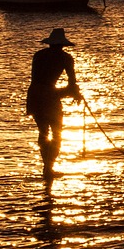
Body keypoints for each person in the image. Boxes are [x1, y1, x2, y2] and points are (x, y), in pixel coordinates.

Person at [26, 28, 80, 171]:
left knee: (43, 131)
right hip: (49, 96)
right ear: (62, 45)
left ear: (50, 43)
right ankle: (49, 167)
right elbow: (72, 83)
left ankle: (46, 166)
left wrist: (67, 92)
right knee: (57, 133)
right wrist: (75, 93)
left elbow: (39, 80)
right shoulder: (66, 58)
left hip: (34, 95)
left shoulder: (38, 55)